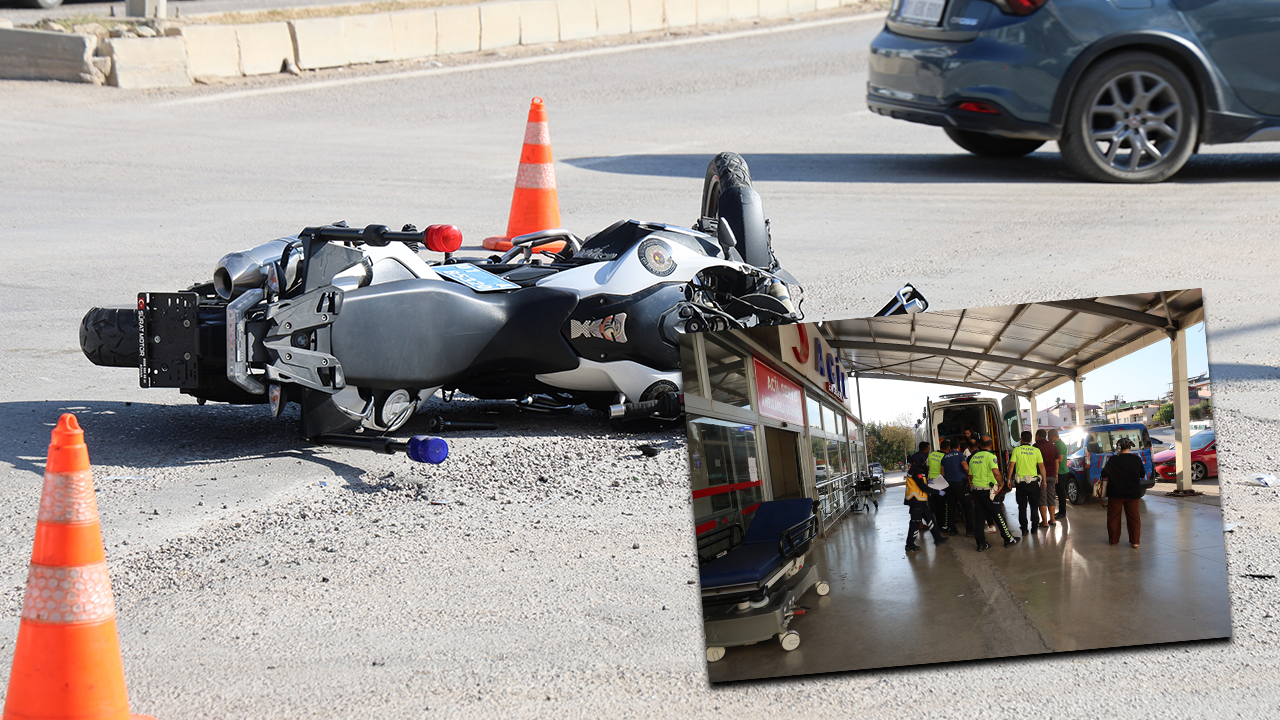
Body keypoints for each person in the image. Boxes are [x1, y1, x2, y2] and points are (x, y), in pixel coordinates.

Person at [968, 437, 1017, 551]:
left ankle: (981, 544)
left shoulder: (973, 457)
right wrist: (1001, 484)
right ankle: (1008, 539)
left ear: (979, 445)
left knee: (980, 518)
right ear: (991, 446)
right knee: (998, 515)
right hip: (989, 491)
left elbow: (970, 476)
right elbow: (996, 472)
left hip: (976, 491)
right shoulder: (991, 457)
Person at [1102, 437, 1147, 548]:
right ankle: (1135, 542)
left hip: (1115, 494)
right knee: (1134, 518)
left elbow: (1103, 474)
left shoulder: (1113, 460)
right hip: (1133, 494)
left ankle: (1114, 540)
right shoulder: (1136, 459)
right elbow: (1142, 475)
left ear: (1118, 447)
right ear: (1130, 447)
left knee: (1113, 517)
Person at [904, 462, 948, 551]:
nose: (925, 462)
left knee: (930, 518)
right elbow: (922, 486)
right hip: (915, 500)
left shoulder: (915, 467)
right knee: (915, 523)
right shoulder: (916, 470)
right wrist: (937, 492)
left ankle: (938, 538)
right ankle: (909, 545)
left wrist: (928, 482)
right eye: (923, 460)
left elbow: (919, 481)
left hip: (920, 500)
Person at [1010, 431, 1046, 535]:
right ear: (1031, 440)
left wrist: (1008, 480)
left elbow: (1011, 466)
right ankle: (1034, 528)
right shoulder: (1036, 450)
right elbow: (1042, 467)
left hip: (1020, 484)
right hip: (1033, 483)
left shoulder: (1016, 450)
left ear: (1021, 439)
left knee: (1022, 506)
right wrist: (1044, 481)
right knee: (1034, 506)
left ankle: (1024, 529)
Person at [939, 439, 974, 536]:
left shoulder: (944, 457)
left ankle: (953, 530)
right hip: (959, 485)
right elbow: (966, 468)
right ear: (958, 447)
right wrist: (968, 474)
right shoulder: (960, 455)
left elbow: (942, 473)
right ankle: (969, 530)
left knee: (951, 508)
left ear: (950, 448)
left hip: (948, 485)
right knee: (967, 505)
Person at [1033, 429, 1060, 527]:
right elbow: (1057, 461)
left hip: (1041, 476)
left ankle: (1044, 522)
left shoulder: (1035, 446)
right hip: (1052, 474)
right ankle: (1052, 520)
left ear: (1037, 436)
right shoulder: (1053, 446)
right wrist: (1056, 474)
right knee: (1051, 497)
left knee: (1042, 498)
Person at [1051, 428, 1070, 519]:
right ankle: (1061, 511)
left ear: (1053, 436)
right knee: (1059, 493)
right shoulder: (1056, 444)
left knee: (1061, 493)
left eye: (1049, 437)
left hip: (1061, 472)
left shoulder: (1060, 445)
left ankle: (1063, 513)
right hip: (1059, 472)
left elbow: (1060, 459)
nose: (1048, 439)